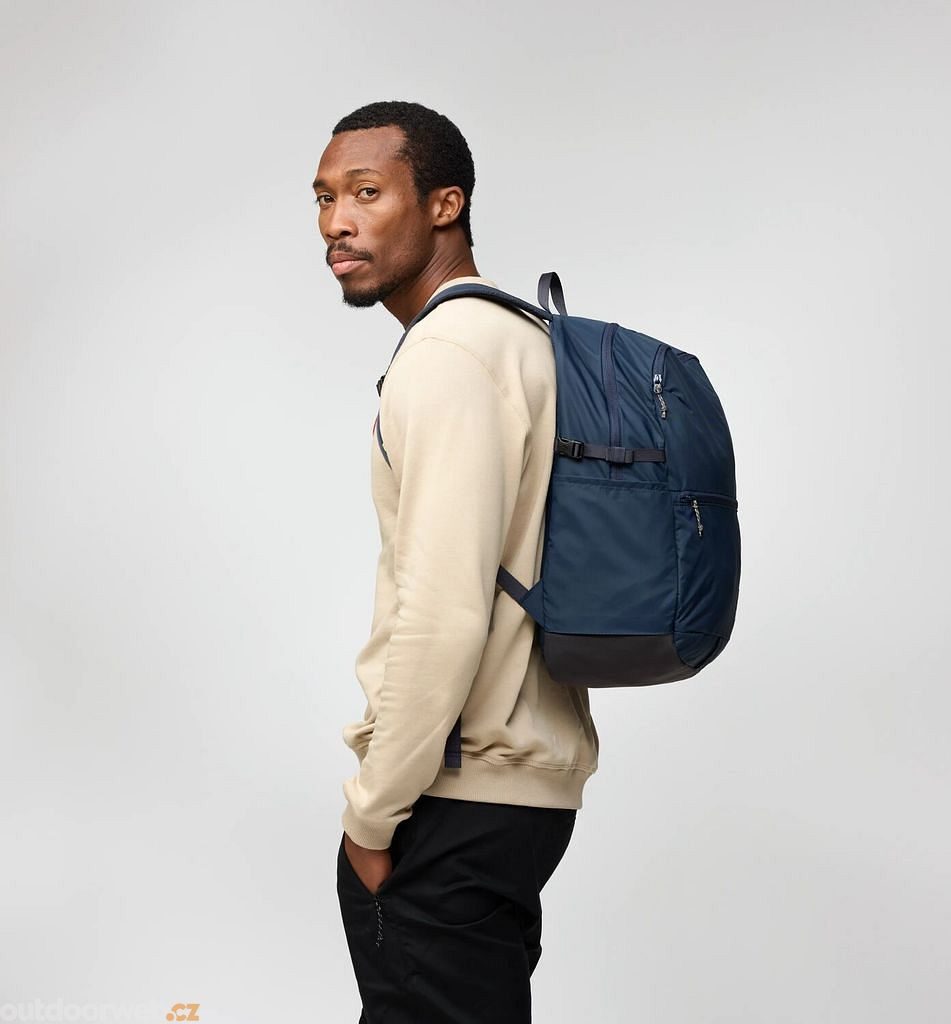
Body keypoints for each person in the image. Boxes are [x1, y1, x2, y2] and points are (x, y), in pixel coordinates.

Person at [313, 100, 600, 1023]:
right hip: (524, 794)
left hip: (452, 793)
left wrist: (371, 816)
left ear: (445, 204)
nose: (337, 222)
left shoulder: (445, 354)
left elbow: (443, 614)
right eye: (324, 198)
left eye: (367, 192)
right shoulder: (525, 338)